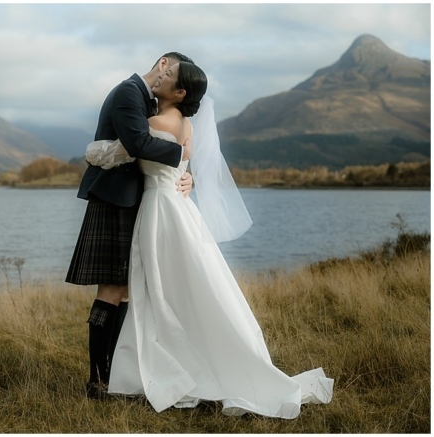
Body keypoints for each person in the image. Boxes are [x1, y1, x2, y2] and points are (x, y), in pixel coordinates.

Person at [87, 62, 334, 418]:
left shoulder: (157, 124)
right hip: (177, 209)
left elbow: (121, 150)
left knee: (158, 288)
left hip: (161, 212)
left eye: (168, 77)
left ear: (180, 93)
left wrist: (91, 151)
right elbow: (184, 166)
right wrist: (191, 179)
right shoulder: (186, 124)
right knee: (183, 287)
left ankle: (146, 369)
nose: (160, 76)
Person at [67, 53, 194, 398]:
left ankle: (114, 373)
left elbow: (141, 147)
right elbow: (137, 144)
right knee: (110, 290)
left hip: (135, 200)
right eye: (174, 73)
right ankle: (97, 380)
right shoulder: (128, 92)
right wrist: (179, 159)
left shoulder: (149, 101)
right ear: (163, 63)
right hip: (115, 201)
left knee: (124, 292)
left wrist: (184, 175)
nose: (171, 82)